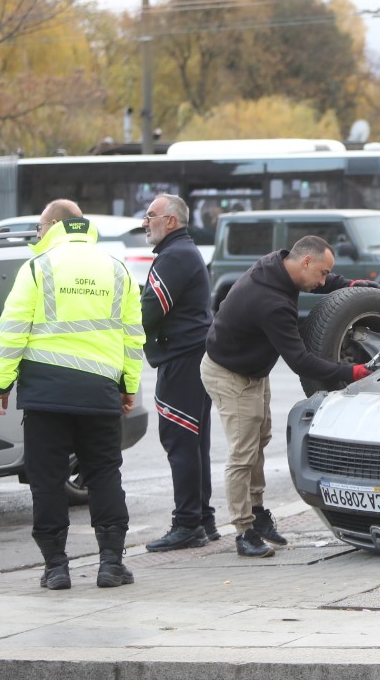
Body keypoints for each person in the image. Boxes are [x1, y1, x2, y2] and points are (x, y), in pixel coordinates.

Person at [0, 200, 144, 591]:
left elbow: (12, 330)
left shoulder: (37, 268)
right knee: (105, 474)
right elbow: (133, 336)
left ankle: (56, 567)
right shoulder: (116, 268)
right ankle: (111, 564)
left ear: (56, 223)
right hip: (99, 393)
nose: (37, 235)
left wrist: (1, 384)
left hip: (45, 395)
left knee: (48, 481)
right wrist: (128, 386)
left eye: (40, 227)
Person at [201, 235, 380, 558]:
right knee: (243, 452)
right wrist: (351, 373)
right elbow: (300, 361)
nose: (324, 281)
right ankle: (244, 530)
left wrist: (352, 285)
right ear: (306, 262)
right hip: (229, 374)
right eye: (323, 273)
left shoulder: (281, 265)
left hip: (252, 368)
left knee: (259, 438)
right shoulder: (272, 302)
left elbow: (320, 282)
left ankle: (258, 512)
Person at [139, 194, 218, 552]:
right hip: (194, 356)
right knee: (193, 440)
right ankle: (202, 518)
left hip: (183, 359)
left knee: (181, 440)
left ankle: (188, 524)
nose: (145, 221)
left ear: (171, 221)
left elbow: (149, 311)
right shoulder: (183, 252)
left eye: (151, 215)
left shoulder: (175, 256)